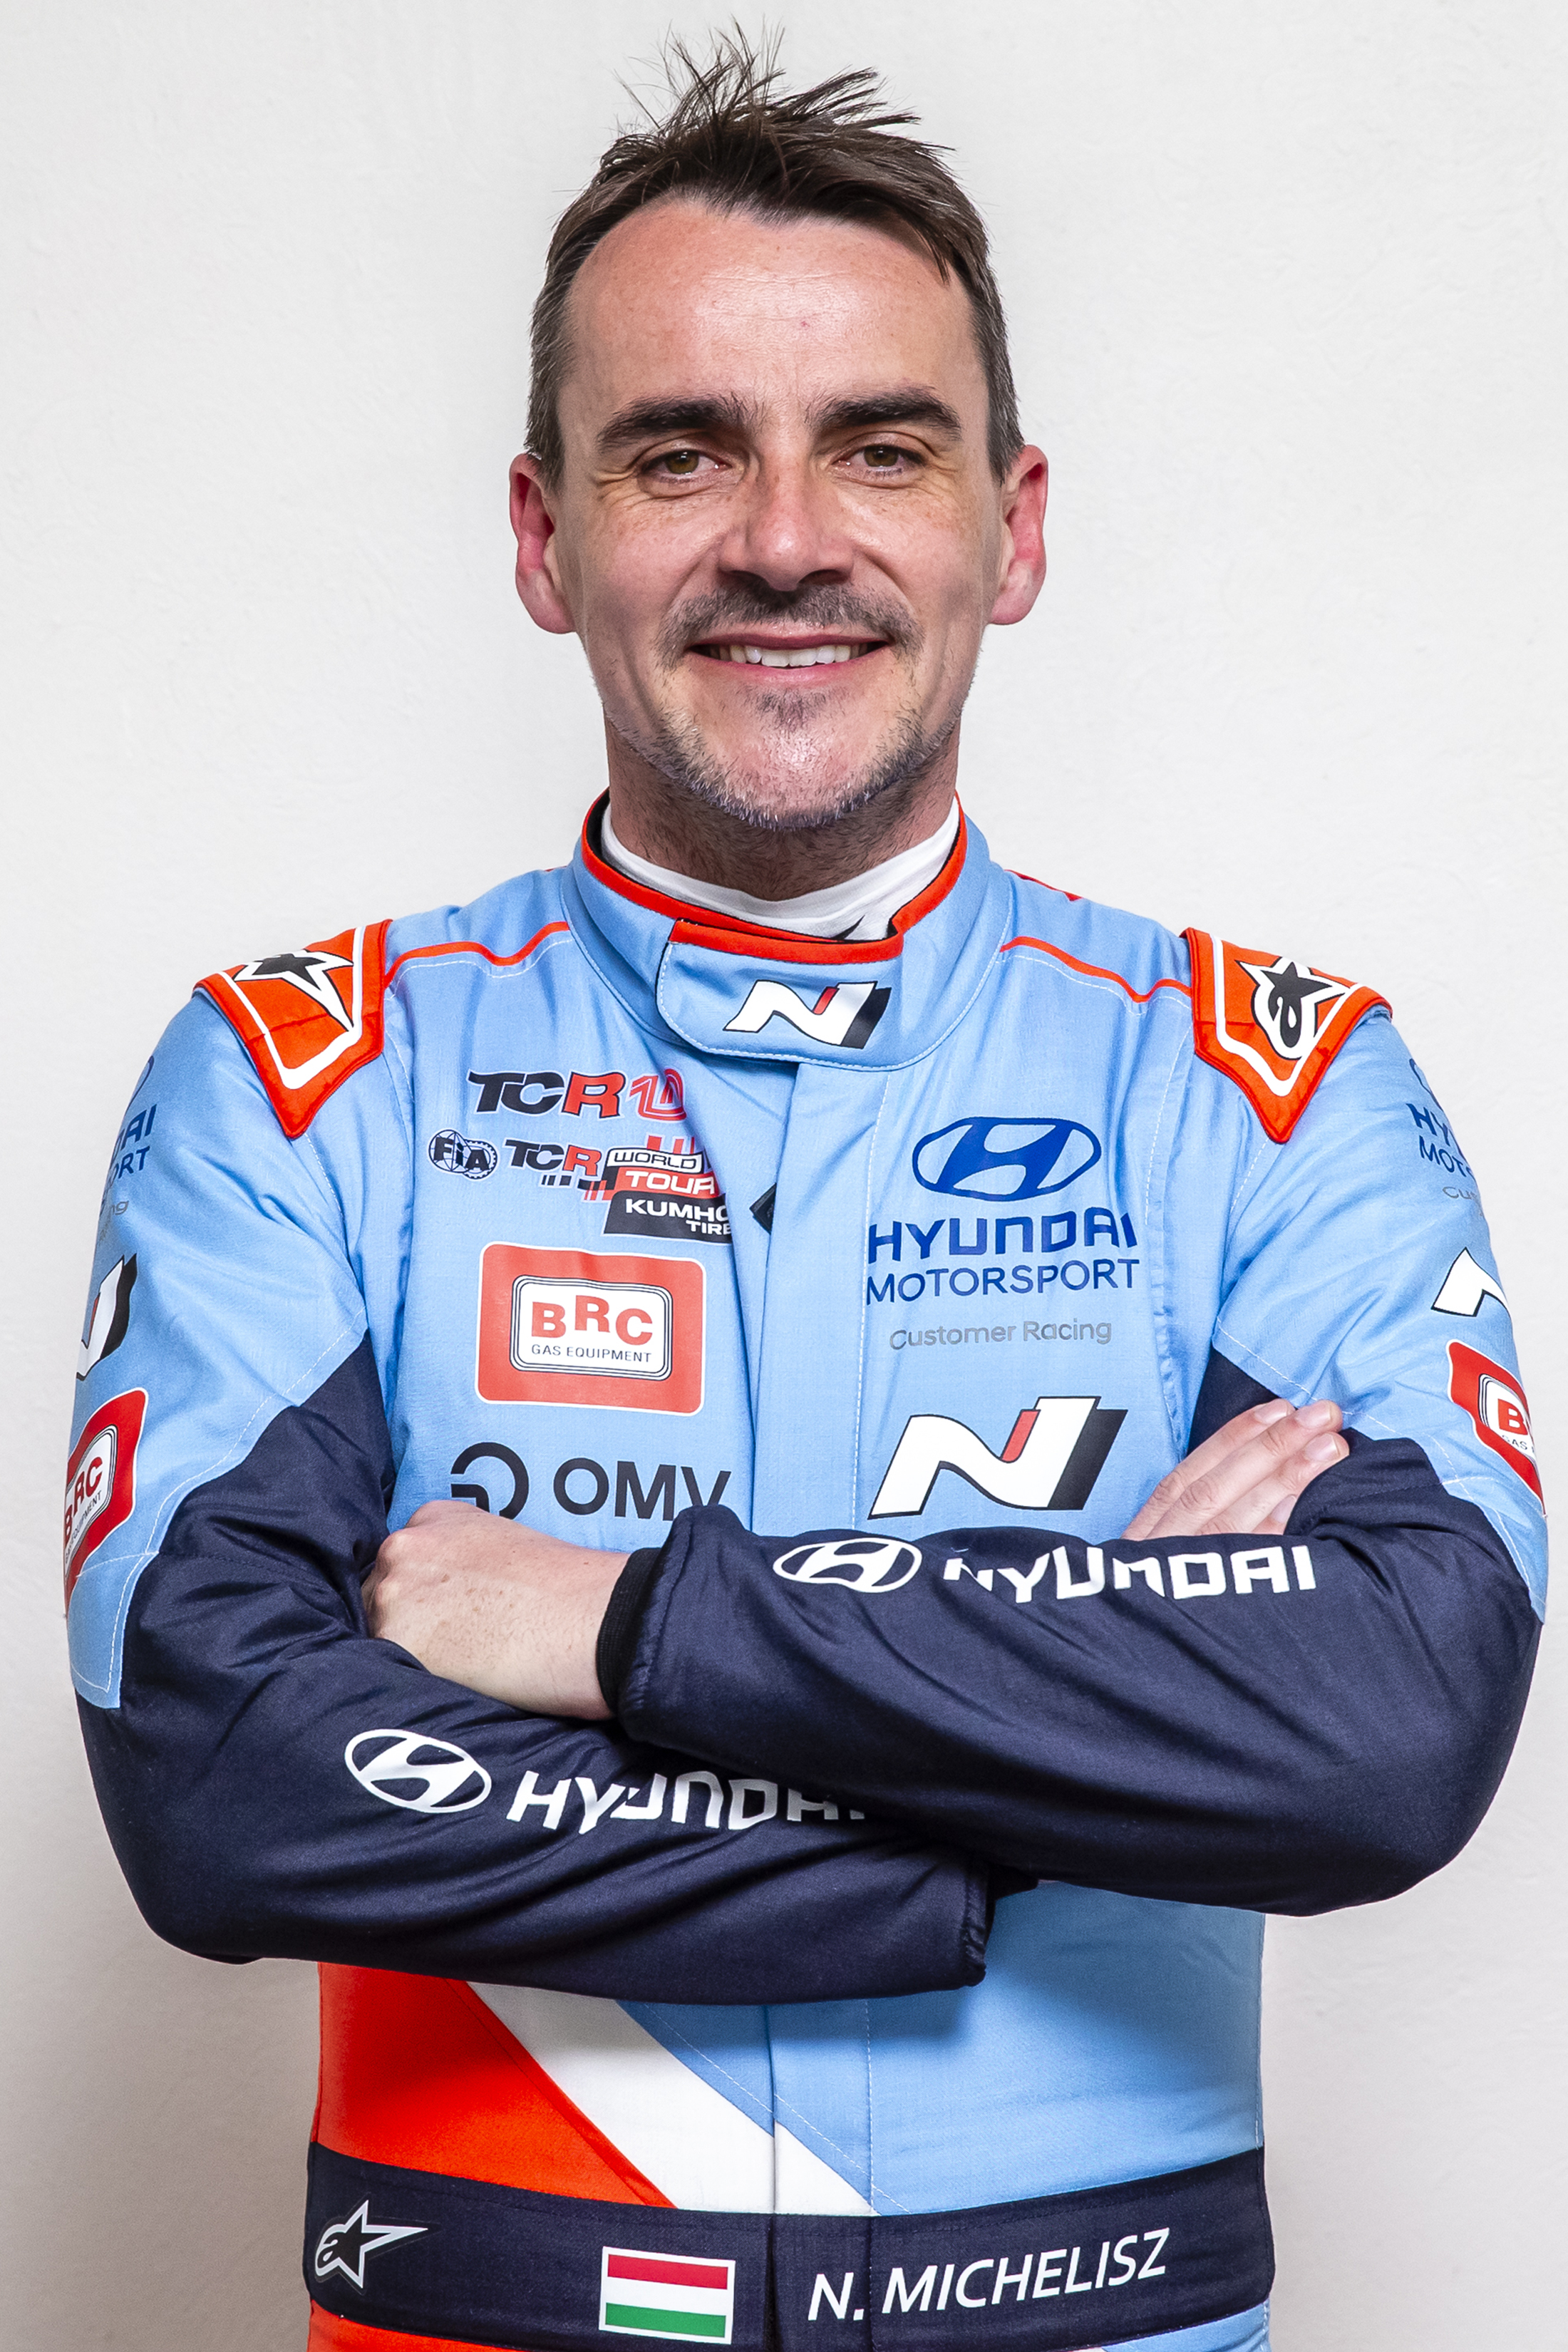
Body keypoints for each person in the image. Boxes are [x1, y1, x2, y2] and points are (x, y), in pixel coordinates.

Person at [64, 37, 1543, 2352]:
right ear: (545, 535)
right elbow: (224, 1785)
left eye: (882, 445)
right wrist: (1057, 1745)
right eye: (680, 451)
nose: (783, 537)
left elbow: (1393, 1722)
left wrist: (617, 1629)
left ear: (1013, 528)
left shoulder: (1267, 1083)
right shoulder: (299, 1080)